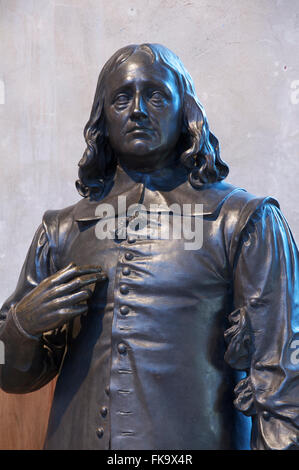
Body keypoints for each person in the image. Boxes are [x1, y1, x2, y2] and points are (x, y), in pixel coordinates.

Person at [0, 43, 299, 450]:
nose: (138, 109)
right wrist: (20, 328)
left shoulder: (243, 221)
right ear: (102, 117)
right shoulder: (62, 229)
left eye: (156, 95)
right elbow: (14, 377)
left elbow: (284, 378)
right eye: (122, 97)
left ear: (185, 111)